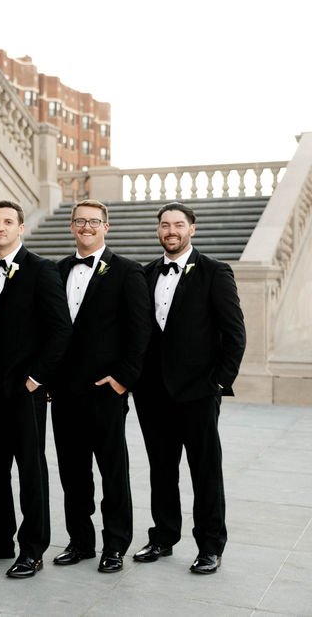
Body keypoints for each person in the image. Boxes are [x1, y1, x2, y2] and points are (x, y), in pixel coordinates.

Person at [132, 202, 246, 575]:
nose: (171, 231)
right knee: (161, 470)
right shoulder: (146, 274)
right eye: (165, 225)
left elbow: (235, 334)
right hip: (153, 394)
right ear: (158, 230)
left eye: (178, 225)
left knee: (205, 471)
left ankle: (210, 545)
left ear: (191, 229)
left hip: (198, 392)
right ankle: (163, 537)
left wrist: (218, 382)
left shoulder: (215, 272)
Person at [0, 200, 71, 579]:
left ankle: (33, 548)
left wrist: (35, 378)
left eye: (7, 222)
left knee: (30, 470)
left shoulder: (41, 270)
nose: (0, 227)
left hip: (25, 390)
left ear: (21, 228)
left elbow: (60, 329)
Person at [50, 201, 149, 573]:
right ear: (71, 226)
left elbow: (140, 331)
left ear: (106, 226)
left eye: (94, 221)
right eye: (80, 221)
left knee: (112, 469)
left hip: (106, 390)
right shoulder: (57, 270)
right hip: (63, 391)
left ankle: (116, 544)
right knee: (72, 471)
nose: (86, 227)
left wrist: (124, 379)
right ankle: (80, 541)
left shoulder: (127, 271)